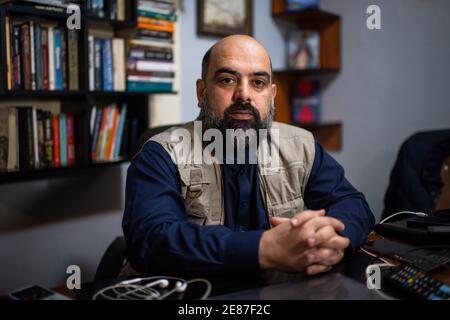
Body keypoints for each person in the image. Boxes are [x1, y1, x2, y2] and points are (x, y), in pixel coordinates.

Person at [122, 35, 375, 277]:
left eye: (258, 82)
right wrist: (264, 248)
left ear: (272, 96)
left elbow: (354, 205)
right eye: (227, 80)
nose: (244, 94)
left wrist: (328, 241)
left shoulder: (302, 145)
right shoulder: (161, 154)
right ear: (201, 93)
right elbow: (151, 239)